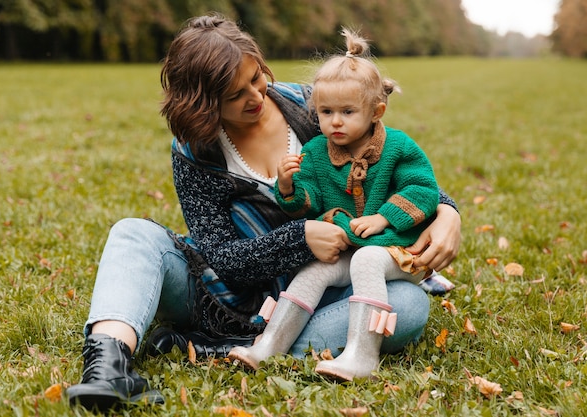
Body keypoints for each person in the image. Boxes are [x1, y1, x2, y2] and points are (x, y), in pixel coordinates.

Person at [66, 13, 461, 411]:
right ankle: (108, 370)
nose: (255, 97)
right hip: (221, 297)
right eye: (234, 95)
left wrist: (448, 212)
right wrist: (301, 238)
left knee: (408, 307)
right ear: (203, 104)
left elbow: (392, 167)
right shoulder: (195, 151)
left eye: (255, 79)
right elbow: (220, 258)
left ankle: (238, 348)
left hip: (318, 294)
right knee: (132, 233)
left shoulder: (314, 106)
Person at [228, 28, 440, 381]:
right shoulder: (314, 153)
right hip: (350, 249)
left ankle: (362, 353)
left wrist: (384, 219)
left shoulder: (398, 148)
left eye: (347, 111)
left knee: (368, 260)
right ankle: (269, 346)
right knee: (314, 271)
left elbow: (424, 190)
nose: (335, 121)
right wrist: (288, 186)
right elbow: (305, 205)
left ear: (376, 111)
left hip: (398, 250)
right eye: (326, 112)